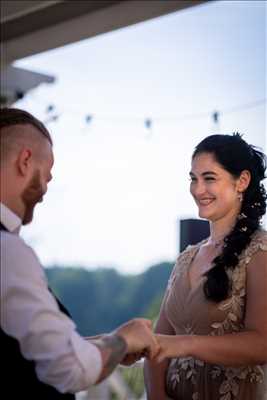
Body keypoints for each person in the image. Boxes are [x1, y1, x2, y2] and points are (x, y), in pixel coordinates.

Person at [0, 107, 159, 399]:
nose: (46, 189)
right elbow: (70, 369)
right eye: (46, 175)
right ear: (24, 161)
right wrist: (125, 339)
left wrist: (103, 345)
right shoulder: (8, 251)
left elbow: (31, 351)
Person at [144, 133, 267, 400]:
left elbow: (262, 343)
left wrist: (184, 345)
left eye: (209, 178)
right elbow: (158, 342)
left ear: (242, 182)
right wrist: (156, 395)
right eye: (193, 179)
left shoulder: (261, 252)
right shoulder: (186, 258)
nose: (198, 190)